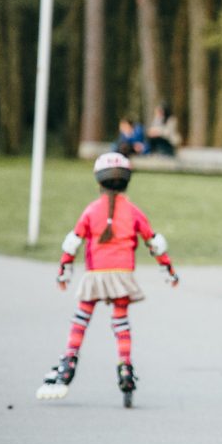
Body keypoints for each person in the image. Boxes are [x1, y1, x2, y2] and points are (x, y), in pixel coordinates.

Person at [36, 153, 179, 408]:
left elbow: (72, 242)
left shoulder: (91, 210)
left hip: (96, 274)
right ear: (127, 182)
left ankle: (68, 363)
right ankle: (125, 367)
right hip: (123, 275)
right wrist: (168, 269)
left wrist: (63, 270)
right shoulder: (134, 211)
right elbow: (154, 242)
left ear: (98, 182)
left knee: (81, 319)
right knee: (120, 322)